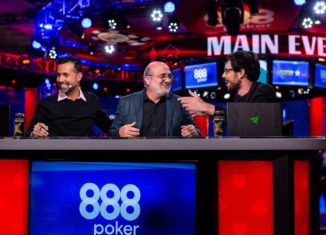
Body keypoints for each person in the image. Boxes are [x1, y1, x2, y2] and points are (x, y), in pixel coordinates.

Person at [26, 55, 112, 137]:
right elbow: (29, 134)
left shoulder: (91, 100)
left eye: (65, 75)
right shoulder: (46, 104)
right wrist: (34, 133)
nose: (60, 80)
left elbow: (109, 127)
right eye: (58, 75)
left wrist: (122, 130)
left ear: (78, 76)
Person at [110, 61, 200, 138]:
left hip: (169, 157)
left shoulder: (180, 102)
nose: (168, 80)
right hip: (137, 157)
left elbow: (196, 131)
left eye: (169, 76)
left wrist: (193, 132)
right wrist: (120, 132)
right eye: (163, 76)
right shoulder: (127, 102)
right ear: (147, 80)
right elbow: (113, 131)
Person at [178, 50, 276, 117]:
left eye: (227, 71)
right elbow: (234, 118)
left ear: (241, 73)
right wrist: (207, 111)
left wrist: (207, 107)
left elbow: (253, 119)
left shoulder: (264, 90)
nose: (223, 76)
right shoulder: (236, 97)